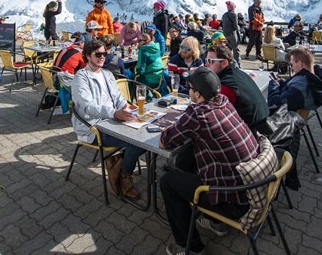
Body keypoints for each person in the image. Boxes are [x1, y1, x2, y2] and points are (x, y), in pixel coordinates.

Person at [159, 67, 259, 255]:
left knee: (168, 182)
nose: (187, 90)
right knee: (190, 159)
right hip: (251, 188)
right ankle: (216, 223)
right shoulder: (224, 101)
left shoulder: (197, 113)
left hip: (233, 201)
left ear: (197, 93)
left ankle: (192, 247)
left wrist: (171, 127)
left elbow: (165, 141)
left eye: (189, 87)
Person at [71, 41, 145, 199]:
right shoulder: (80, 78)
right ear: (87, 56)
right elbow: (88, 106)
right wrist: (114, 113)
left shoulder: (107, 74)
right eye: (97, 54)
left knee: (147, 134)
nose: (102, 57)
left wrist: (124, 107)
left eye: (104, 54)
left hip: (112, 120)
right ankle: (124, 176)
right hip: (94, 126)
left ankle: (116, 162)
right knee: (136, 142)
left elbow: (118, 98)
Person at [205, 43, 270, 133]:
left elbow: (211, 113)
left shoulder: (225, 86)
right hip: (264, 125)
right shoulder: (239, 73)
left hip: (251, 134)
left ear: (224, 63)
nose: (206, 64)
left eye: (210, 61)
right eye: (206, 60)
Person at [267, 47, 322, 112]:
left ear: (300, 63)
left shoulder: (300, 87)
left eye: (292, 64)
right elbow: (292, 90)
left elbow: (273, 103)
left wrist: (274, 84)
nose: (292, 68)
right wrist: (281, 82)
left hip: (281, 117)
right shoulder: (316, 79)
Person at [221, 1, 240, 65]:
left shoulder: (224, 15)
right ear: (233, 7)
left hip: (225, 35)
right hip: (232, 34)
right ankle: (237, 63)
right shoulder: (233, 14)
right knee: (235, 49)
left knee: (228, 49)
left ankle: (228, 62)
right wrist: (239, 35)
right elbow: (236, 26)